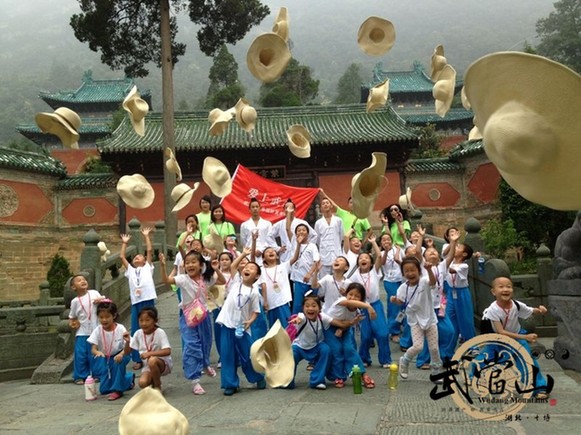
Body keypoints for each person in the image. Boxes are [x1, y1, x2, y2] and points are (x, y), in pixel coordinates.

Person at [159, 250, 225, 395]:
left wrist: (215, 268)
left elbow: (222, 281)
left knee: (205, 344)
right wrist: (163, 266)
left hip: (204, 316)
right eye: (187, 262)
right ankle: (195, 380)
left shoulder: (205, 278)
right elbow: (166, 280)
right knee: (191, 345)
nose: (190, 265)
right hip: (188, 317)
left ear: (201, 265)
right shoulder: (182, 279)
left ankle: (206, 364)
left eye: (193, 262)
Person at [481, 276, 550, 398]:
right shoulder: (492, 310)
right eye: (501, 287)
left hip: (517, 338)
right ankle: (473, 376)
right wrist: (526, 337)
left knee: (527, 359)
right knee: (488, 359)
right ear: (493, 292)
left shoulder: (516, 305)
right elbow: (501, 332)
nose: (505, 289)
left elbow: (531, 310)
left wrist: (540, 310)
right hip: (497, 340)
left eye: (508, 286)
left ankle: (538, 388)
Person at [216, 248, 266, 396]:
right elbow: (232, 267)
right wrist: (243, 254)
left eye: (252, 268)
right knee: (227, 355)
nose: (247, 268)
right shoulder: (235, 282)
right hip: (227, 324)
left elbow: (256, 311)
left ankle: (258, 377)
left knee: (248, 354)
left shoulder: (254, 292)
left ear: (256, 276)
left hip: (242, 327)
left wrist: (250, 321)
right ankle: (230, 384)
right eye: (246, 267)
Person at [286, 292, 354, 390]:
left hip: (316, 347)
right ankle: (288, 381)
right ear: (303, 308)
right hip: (299, 347)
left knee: (326, 350)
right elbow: (299, 318)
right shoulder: (303, 317)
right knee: (291, 355)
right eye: (307, 306)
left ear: (319, 308)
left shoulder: (322, 317)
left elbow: (338, 323)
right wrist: (297, 320)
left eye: (314, 306)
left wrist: (351, 322)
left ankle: (317, 381)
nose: (310, 309)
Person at [391, 256, 443, 383]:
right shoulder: (403, 288)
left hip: (430, 319)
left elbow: (433, 282)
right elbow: (400, 301)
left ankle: (436, 371)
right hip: (414, 321)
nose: (410, 273)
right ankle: (405, 361)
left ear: (419, 271)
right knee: (418, 347)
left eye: (412, 270)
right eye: (406, 271)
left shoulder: (424, 282)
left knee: (434, 348)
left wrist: (429, 270)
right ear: (403, 274)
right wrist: (395, 300)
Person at [350, 235, 392, 368]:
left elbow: (379, 257)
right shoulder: (355, 275)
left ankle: (385, 359)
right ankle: (364, 358)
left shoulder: (375, 271)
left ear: (371, 262)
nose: (363, 259)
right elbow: (347, 287)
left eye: (366, 258)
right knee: (366, 336)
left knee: (382, 333)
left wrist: (374, 243)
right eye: (361, 258)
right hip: (362, 307)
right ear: (358, 262)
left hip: (375, 305)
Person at [324, 282, 376, 389]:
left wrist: (343, 328)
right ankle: (339, 376)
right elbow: (348, 303)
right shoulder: (341, 301)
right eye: (350, 294)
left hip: (345, 328)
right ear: (346, 295)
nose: (353, 297)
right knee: (337, 350)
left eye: (357, 296)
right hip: (329, 328)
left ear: (361, 300)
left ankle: (362, 374)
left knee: (349, 348)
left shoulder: (356, 311)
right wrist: (368, 306)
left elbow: (348, 322)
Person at [415, 237, 456, 370]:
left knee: (449, 331)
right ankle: (423, 360)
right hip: (426, 307)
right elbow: (416, 252)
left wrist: (453, 242)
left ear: (439, 255)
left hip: (440, 306)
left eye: (434, 251)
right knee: (428, 334)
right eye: (428, 252)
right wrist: (420, 237)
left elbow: (451, 255)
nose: (432, 253)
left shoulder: (442, 266)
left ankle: (444, 356)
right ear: (424, 256)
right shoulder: (422, 267)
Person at [120, 227, 157, 371]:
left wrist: (146, 236)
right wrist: (124, 243)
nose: (137, 257)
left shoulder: (148, 267)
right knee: (136, 330)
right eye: (135, 257)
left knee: (152, 326)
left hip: (148, 299)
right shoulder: (130, 270)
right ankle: (137, 358)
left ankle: (152, 354)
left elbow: (149, 250)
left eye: (139, 257)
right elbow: (122, 257)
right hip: (136, 301)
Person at [88, 300, 133, 401]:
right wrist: (98, 352)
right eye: (101, 317)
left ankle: (117, 390)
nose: (104, 320)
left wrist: (122, 353)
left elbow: (128, 350)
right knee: (104, 390)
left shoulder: (120, 328)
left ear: (114, 315)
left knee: (118, 362)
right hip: (107, 357)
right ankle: (128, 379)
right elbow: (93, 349)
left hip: (121, 354)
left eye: (107, 317)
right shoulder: (98, 330)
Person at [441, 230, 476, 356]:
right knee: (450, 323)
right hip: (451, 293)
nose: (456, 248)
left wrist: (453, 241)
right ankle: (447, 350)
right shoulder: (452, 262)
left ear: (465, 254)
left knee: (466, 322)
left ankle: (473, 347)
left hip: (462, 294)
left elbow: (449, 269)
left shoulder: (463, 266)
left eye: (459, 247)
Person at [68, 274, 104, 384]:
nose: (83, 281)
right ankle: (80, 376)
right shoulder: (75, 301)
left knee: (96, 353)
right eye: (79, 281)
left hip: (96, 330)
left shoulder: (93, 293)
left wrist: (100, 301)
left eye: (84, 280)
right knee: (81, 354)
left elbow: (105, 302)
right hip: (82, 332)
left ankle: (98, 374)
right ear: (73, 287)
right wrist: (73, 324)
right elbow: (72, 317)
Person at [129, 306, 172, 391]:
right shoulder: (138, 333)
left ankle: (157, 386)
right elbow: (128, 351)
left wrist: (149, 354)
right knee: (142, 383)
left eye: (147, 320)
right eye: (141, 320)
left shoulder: (160, 332)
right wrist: (127, 342)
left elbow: (167, 351)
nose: (144, 323)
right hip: (148, 365)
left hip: (162, 363)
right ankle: (153, 380)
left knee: (152, 360)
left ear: (155, 321)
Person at [268, 199, 317, 263]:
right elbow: (269, 236)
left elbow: (314, 235)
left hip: (300, 252)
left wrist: (306, 246)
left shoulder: (302, 223)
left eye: (290, 208)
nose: (288, 210)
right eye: (286, 208)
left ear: (294, 210)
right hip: (285, 254)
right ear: (284, 210)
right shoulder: (279, 224)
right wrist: (277, 248)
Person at [289, 223, 320, 314]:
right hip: (299, 279)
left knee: (312, 303)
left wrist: (309, 273)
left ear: (308, 233)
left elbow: (316, 261)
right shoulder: (294, 245)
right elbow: (295, 258)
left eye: (303, 230)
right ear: (295, 234)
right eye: (298, 230)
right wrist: (298, 244)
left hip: (311, 280)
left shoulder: (312, 246)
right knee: (298, 305)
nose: (301, 232)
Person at [379, 233, 404, 343]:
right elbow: (382, 263)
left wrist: (397, 251)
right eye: (383, 240)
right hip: (389, 281)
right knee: (394, 305)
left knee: (403, 304)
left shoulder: (399, 249)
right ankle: (394, 331)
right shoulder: (381, 252)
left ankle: (400, 324)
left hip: (401, 280)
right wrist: (385, 251)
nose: (386, 241)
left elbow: (403, 262)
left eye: (388, 239)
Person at [260, 247, 292, 328]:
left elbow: (295, 258)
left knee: (287, 327)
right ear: (263, 258)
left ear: (277, 256)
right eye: (267, 252)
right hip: (270, 304)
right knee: (273, 329)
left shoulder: (283, 267)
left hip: (282, 301)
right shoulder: (261, 270)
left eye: (273, 251)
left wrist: (298, 244)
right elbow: (263, 285)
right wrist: (265, 301)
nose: (271, 252)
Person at [314, 196, 344, 277]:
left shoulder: (338, 220)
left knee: (338, 279)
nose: (325, 205)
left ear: (331, 205)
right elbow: (318, 240)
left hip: (336, 254)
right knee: (324, 282)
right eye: (323, 204)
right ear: (321, 208)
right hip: (324, 256)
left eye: (327, 203)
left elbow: (341, 236)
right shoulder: (318, 223)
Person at [240, 198, 273, 266]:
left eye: (257, 207)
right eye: (253, 207)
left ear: (260, 208)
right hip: (249, 254)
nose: (255, 209)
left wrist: (261, 250)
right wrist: (252, 251)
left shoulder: (267, 224)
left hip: (264, 254)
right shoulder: (244, 225)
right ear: (249, 209)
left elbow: (270, 240)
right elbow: (244, 241)